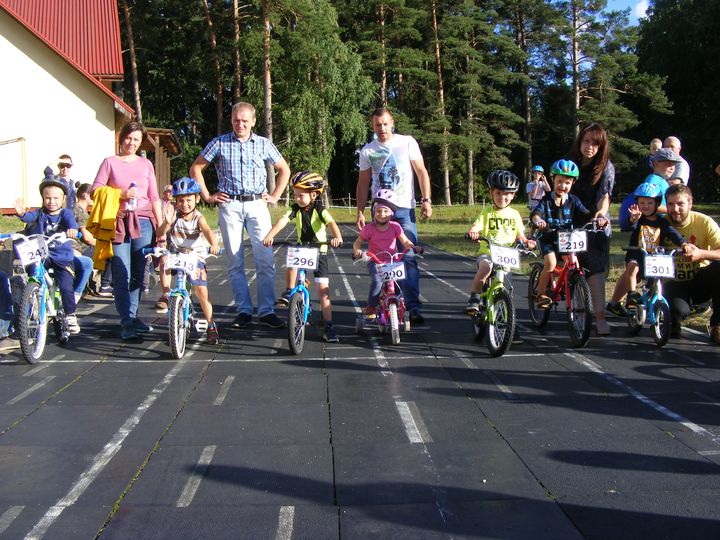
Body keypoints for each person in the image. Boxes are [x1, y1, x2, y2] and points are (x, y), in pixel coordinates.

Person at [190, 102, 290, 330]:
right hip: (230, 205)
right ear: (232, 121)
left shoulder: (263, 144)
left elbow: (284, 169)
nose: (240, 124)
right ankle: (243, 311)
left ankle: (267, 311)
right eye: (236, 120)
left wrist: (275, 196)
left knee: (265, 259)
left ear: (253, 121)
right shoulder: (219, 143)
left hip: (257, 204)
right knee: (235, 261)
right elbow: (196, 168)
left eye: (245, 120)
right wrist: (207, 196)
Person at [356, 107, 432, 325]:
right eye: (377, 125)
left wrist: (426, 200)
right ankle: (384, 300)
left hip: (404, 209)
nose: (382, 128)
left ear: (392, 123)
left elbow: (421, 172)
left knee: (408, 256)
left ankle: (413, 307)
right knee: (381, 256)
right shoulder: (367, 151)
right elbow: (363, 183)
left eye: (385, 124)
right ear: (372, 126)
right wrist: (360, 211)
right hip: (380, 209)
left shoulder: (407, 142)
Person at [92, 121, 162, 340]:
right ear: (122, 138)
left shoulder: (146, 164)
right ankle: (126, 321)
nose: (132, 143)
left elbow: (154, 197)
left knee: (140, 273)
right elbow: (95, 190)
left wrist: (161, 228)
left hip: (144, 221)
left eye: (136, 139)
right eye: (129, 138)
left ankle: (132, 316)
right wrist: (121, 194)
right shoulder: (109, 162)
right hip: (119, 222)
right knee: (122, 272)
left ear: (141, 142)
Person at [263, 171, 344, 343]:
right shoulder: (295, 208)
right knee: (292, 258)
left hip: (319, 250)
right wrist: (270, 235)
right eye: (295, 195)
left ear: (313, 195)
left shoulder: (319, 209)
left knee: (323, 292)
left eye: (301, 195)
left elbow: (331, 223)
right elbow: (283, 220)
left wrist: (337, 237)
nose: (297, 198)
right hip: (303, 248)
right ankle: (289, 291)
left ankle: (329, 326)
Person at [530, 159, 607, 310]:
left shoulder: (573, 200)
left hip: (566, 239)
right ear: (552, 180)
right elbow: (536, 214)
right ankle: (541, 294)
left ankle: (570, 286)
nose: (563, 186)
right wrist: (539, 221)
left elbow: (586, 214)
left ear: (572, 183)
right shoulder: (546, 200)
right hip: (549, 238)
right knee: (551, 263)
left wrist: (597, 220)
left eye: (567, 183)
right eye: (559, 181)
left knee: (573, 261)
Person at [156, 177, 221, 344]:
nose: (184, 204)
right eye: (181, 200)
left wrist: (214, 244)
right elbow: (160, 233)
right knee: (164, 259)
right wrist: (167, 223)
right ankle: (166, 293)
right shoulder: (173, 215)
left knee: (201, 291)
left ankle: (211, 325)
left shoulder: (199, 217)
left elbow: (206, 230)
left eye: (189, 200)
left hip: (194, 256)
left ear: (197, 199)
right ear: (176, 201)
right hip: (176, 254)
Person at [15, 174, 80, 333]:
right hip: (42, 254)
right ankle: (32, 303)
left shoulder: (65, 214)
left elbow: (71, 223)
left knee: (65, 285)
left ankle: (70, 314)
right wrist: (22, 214)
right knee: (33, 275)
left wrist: (72, 230)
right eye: (48, 198)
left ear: (63, 199)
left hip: (61, 257)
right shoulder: (40, 213)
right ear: (43, 198)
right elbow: (29, 217)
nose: (52, 201)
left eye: (56, 198)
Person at [607, 183, 686, 314]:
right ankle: (632, 294)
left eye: (649, 203)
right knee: (632, 268)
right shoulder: (639, 219)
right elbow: (627, 227)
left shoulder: (662, 222)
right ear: (637, 203)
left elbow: (672, 233)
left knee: (659, 276)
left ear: (657, 203)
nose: (645, 206)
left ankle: (656, 295)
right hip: (637, 254)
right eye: (642, 203)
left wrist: (683, 244)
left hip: (655, 256)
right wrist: (633, 219)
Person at [466, 170, 535, 314]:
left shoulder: (514, 214)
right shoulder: (487, 212)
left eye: (507, 194)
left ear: (513, 195)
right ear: (491, 193)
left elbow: (520, 235)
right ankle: (474, 297)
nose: (502, 197)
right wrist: (473, 232)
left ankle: (505, 315)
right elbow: (476, 227)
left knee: (507, 285)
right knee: (485, 268)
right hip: (488, 253)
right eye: (498, 193)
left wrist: (526, 241)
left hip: (507, 255)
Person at [568, 123, 614, 335]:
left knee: (595, 269)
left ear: (601, 147)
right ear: (580, 142)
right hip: (569, 220)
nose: (589, 147)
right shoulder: (570, 162)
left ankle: (600, 317)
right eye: (586, 141)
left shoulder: (606, 167)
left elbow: (605, 195)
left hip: (594, 222)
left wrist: (601, 213)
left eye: (595, 144)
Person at [662, 184, 720, 342]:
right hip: (672, 283)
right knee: (676, 313)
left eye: (680, 204)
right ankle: (676, 318)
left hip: (699, 279)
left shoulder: (704, 222)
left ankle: (717, 325)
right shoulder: (660, 223)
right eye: (671, 204)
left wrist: (701, 254)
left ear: (690, 203)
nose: (675, 209)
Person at [353, 189, 416, 318]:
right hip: (376, 262)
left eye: (386, 211)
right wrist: (357, 251)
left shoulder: (395, 226)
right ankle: (371, 306)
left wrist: (412, 247)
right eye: (378, 211)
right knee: (377, 280)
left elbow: (405, 241)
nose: (382, 214)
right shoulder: (369, 229)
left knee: (402, 281)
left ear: (391, 213)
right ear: (374, 212)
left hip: (392, 261)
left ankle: (398, 301)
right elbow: (357, 242)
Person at [70, 183, 96, 303]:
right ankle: (104, 285)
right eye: (93, 195)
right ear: (86, 195)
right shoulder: (79, 212)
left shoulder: (75, 208)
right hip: (77, 248)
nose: (95, 198)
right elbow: (87, 237)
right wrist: (103, 244)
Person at [153, 184, 175, 314]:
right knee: (164, 262)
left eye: (172, 191)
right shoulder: (159, 204)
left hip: (174, 238)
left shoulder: (175, 206)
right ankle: (166, 293)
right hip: (161, 236)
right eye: (168, 191)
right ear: (163, 192)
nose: (170, 193)